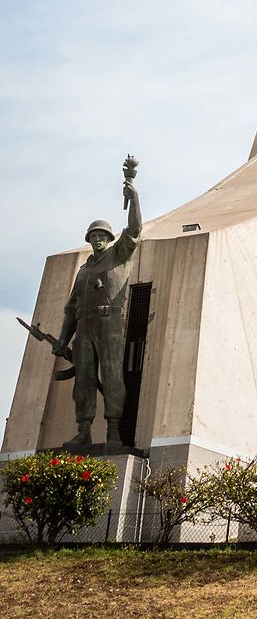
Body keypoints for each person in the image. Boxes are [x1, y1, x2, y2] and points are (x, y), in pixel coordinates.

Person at [53, 169, 142, 451]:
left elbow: (135, 229)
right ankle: (84, 431)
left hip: (109, 323)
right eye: (93, 236)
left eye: (102, 235)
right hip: (84, 326)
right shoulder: (84, 270)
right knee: (84, 380)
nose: (98, 239)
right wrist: (62, 339)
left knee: (113, 376)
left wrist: (134, 196)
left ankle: (114, 432)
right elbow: (71, 308)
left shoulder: (119, 254)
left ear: (109, 238)